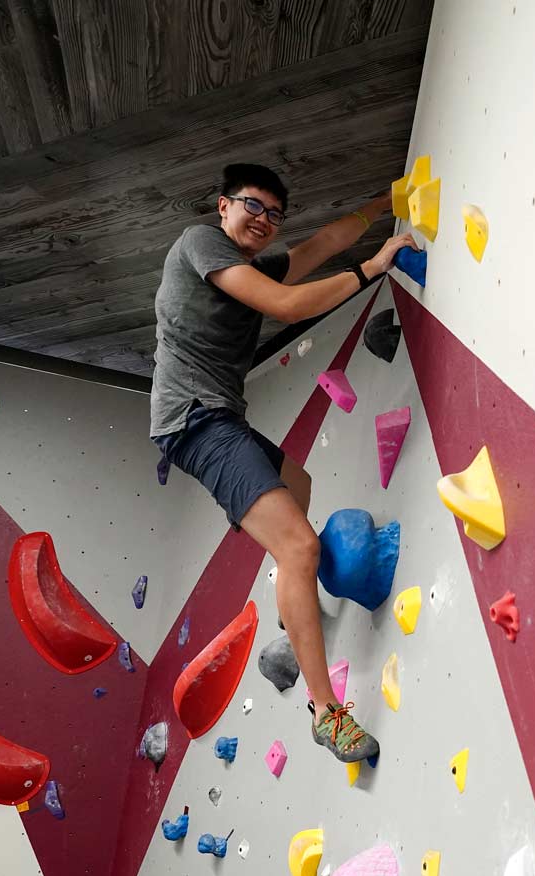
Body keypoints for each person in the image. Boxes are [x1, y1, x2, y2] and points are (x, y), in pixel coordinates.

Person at [150, 162, 418, 762]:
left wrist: (384, 201)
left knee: (299, 483)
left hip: (218, 418)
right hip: (194, 420)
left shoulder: (251, 261)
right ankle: (326, 714)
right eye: (252, 206)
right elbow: (287, 304)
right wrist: (372, 269)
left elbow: (321, 244)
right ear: (222, 206)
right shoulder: (201, 244)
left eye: (275, 214)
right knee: (299, 547)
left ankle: (293, 609)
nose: (264, 221)